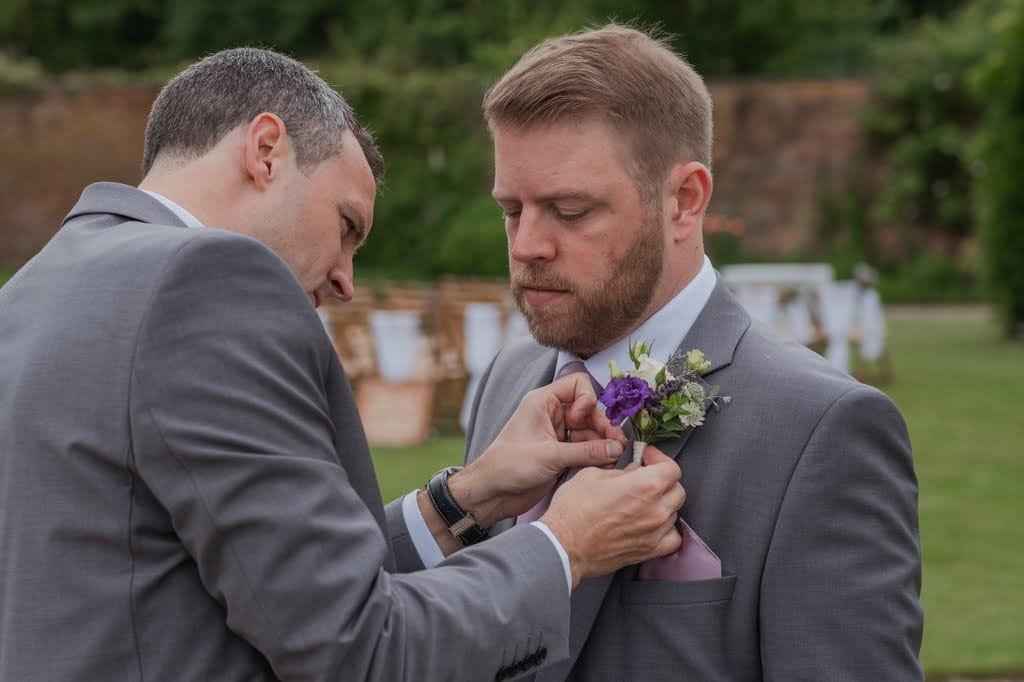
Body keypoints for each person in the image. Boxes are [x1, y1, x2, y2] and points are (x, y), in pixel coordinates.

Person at [0, 47, 688, 681]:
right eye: (347, 226)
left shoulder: (36, 287)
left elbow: (260, 577)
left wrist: (463, 500)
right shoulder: (206, 277)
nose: (345, 280)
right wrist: (564, 544)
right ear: (266, 151)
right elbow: (359, 648)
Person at [407, 24, 923, 680]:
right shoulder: (507, 381)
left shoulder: (821, 428)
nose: (527, 244)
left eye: (569, 211)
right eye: (512, 210)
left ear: (684, 201)